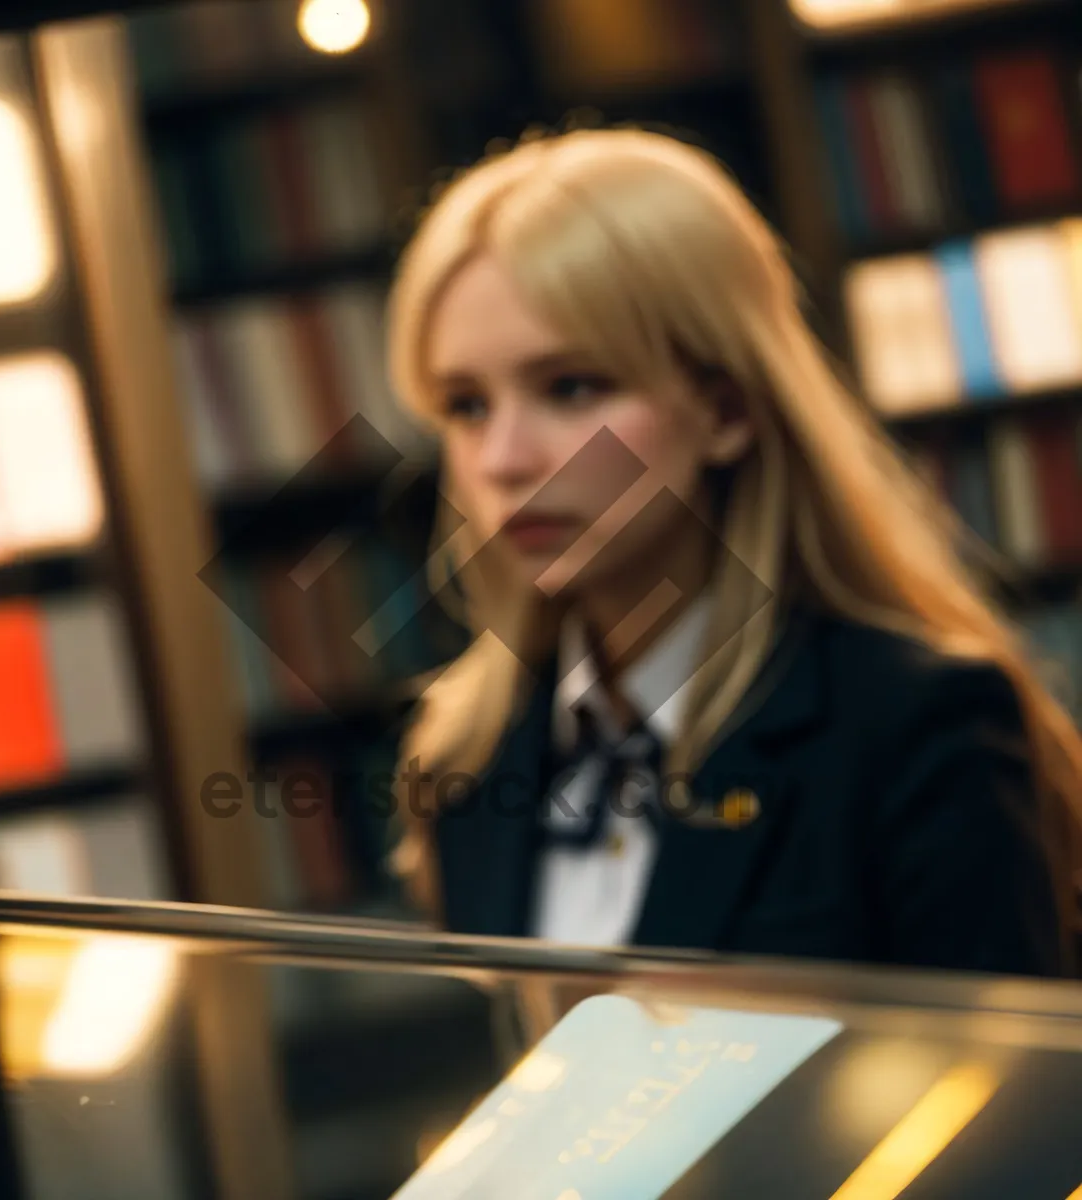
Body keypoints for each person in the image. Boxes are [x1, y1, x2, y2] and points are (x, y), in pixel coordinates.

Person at [379, 125, 1082, 978]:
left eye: (571, 387)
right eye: (465, 405)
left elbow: (1004, 1103)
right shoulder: (466, 754)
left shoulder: (918, 726)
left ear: (725, 411)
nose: (502, 461)